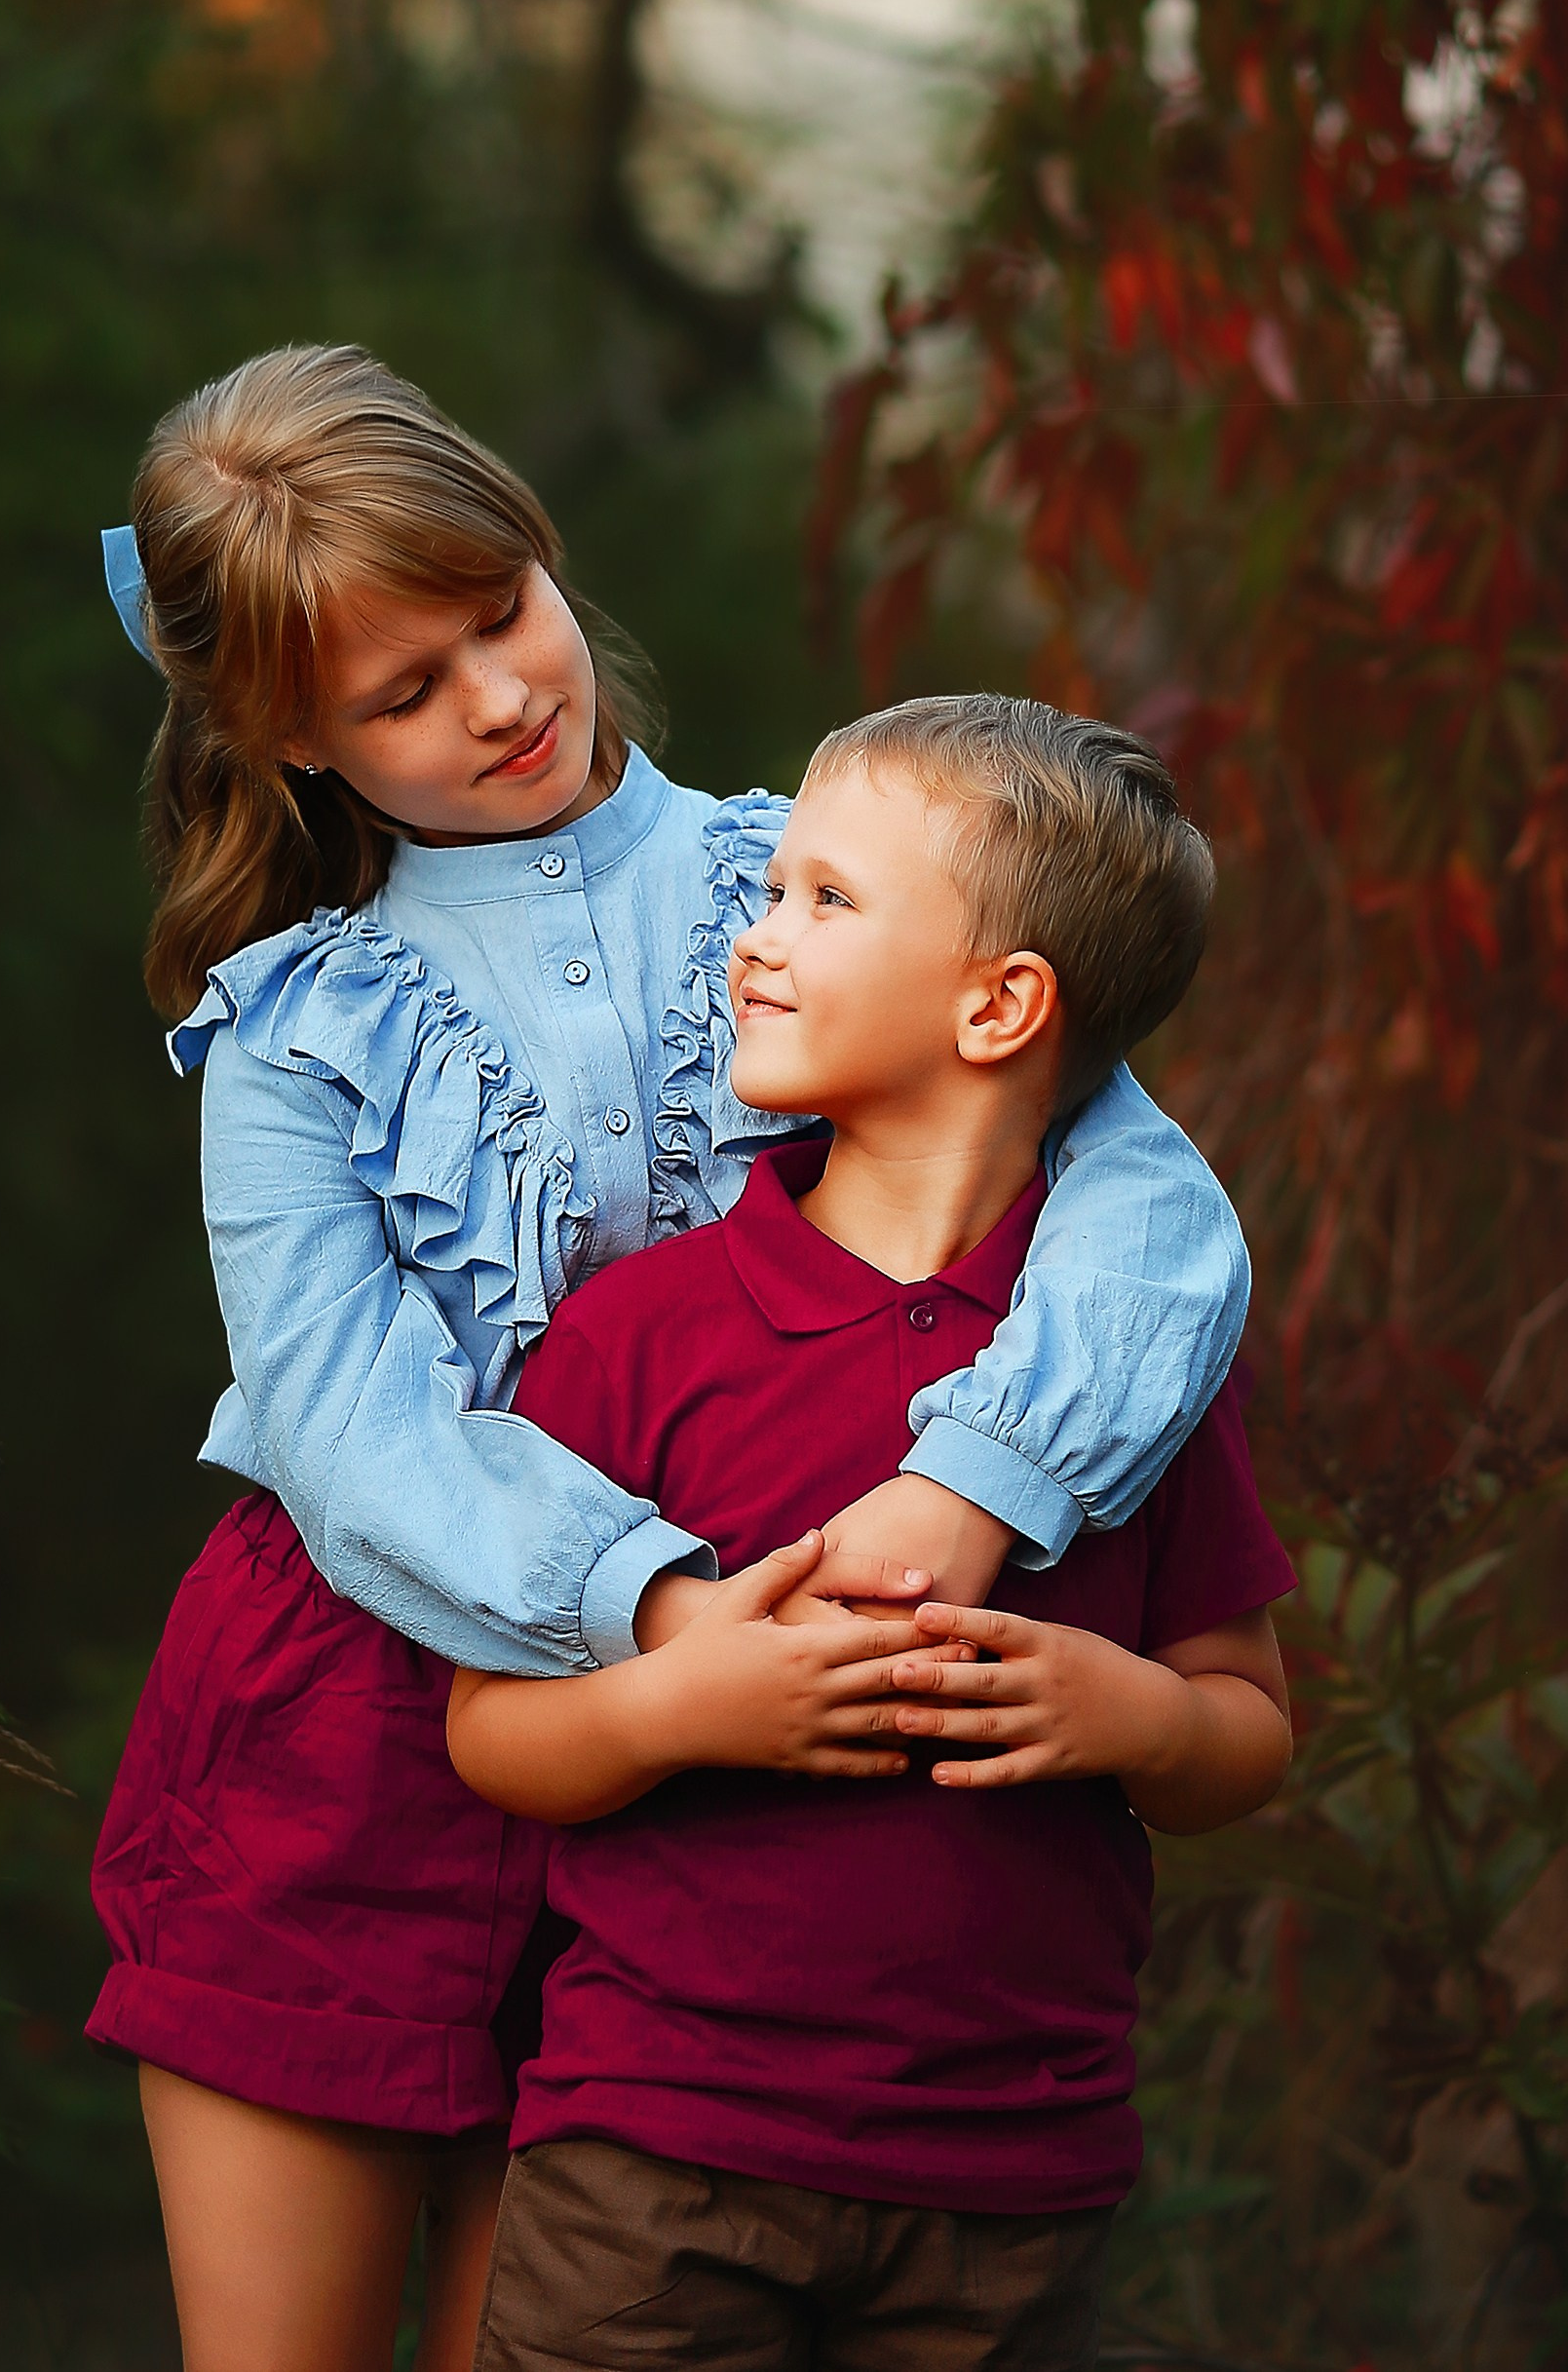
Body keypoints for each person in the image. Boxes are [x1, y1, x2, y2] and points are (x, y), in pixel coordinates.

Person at [84, 348, 1255, 2372]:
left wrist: (969, 1486)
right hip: (357, 1726)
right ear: (285, 734)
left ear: (541, 550)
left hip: (759, 1738)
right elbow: (350, 1428)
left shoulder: (803, 883)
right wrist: (651, 1604)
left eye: (500, 614)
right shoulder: (290, 1030)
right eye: (404, 693)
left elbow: (1146, 1211)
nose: (504, 696)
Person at [445, 695, 1294, 2372]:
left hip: (1009, 2176)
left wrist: (1124, 1716)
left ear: (1001, 1005)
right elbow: (492, 1734)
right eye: (771, 894)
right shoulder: (644, 1335)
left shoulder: (1127, 1364)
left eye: (826, 902)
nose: (757, 943)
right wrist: (681, 1709)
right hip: (659, 2147)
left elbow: (1247, 1731)